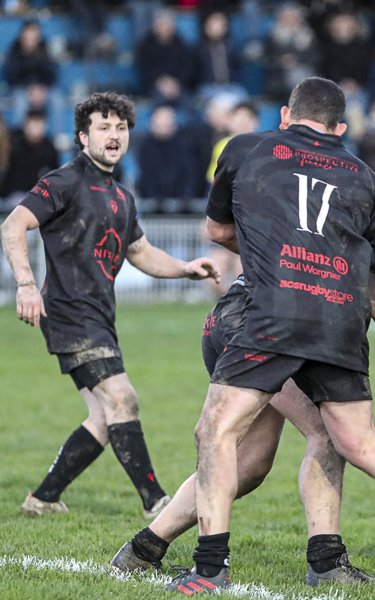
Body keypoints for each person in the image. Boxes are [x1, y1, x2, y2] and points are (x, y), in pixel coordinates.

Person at [163, 77, 375, 594]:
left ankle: (209, 570)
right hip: (340, 322)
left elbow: (218, 232)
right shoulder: (365, 176)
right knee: (359, 441)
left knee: (217, 432)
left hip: (273, 311)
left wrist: (278, 248)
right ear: (342, 128)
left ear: (286, 117)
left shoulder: (245, 148)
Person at [110, 185, 375, 584]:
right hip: (262, 322)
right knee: (331, 433)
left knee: (249, 465)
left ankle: (143, 549)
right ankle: (328, 561)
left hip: (265, 320)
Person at [0, 92, 220, 520]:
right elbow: (13, 224)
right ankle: (156, 502)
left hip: (99, 316)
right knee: (124, 399)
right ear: (83, 136)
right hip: (68, 311)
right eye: (103, 127)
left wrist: (185, 269)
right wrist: (25, 284)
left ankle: (43, 498)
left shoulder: (122, 197)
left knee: (105, 418)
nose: (114, 135)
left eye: (120, 128)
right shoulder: (65, 181)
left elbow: (140, 252)